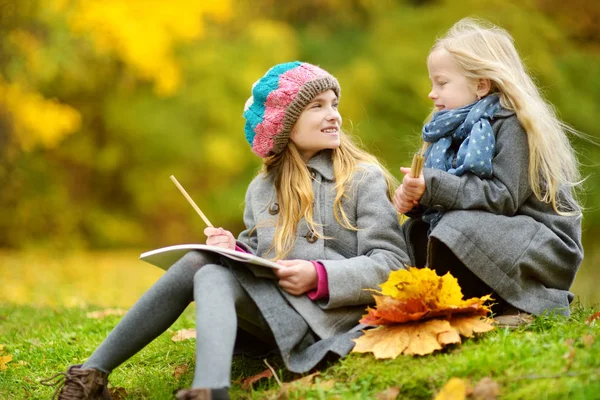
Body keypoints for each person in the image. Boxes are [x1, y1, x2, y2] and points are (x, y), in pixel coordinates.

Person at [43, 61, 410, 399]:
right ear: (284, 125)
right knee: (201, 264)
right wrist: (236, 250)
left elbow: (393, 264)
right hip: (278, 311)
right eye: (317, 106)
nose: (333, 115)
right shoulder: (262, 189)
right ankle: (97, 377)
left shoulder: (362, 178)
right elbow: (265, 253)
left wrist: (319, 275)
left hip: (331, 318)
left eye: (333, 103)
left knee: (204, 268)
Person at [393, 18, 583, 325]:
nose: (432, 93)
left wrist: (435, 186)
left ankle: (524, 304)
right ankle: (461, 305)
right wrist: (417, 198)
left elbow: (502, 197)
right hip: (491, 232)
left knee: (456, 227)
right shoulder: (446, 131)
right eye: (432, 83)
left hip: (540, 242)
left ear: (481, 84)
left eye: (441, 83)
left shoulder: (514, 125)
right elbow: (448, 196)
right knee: (413, 232)